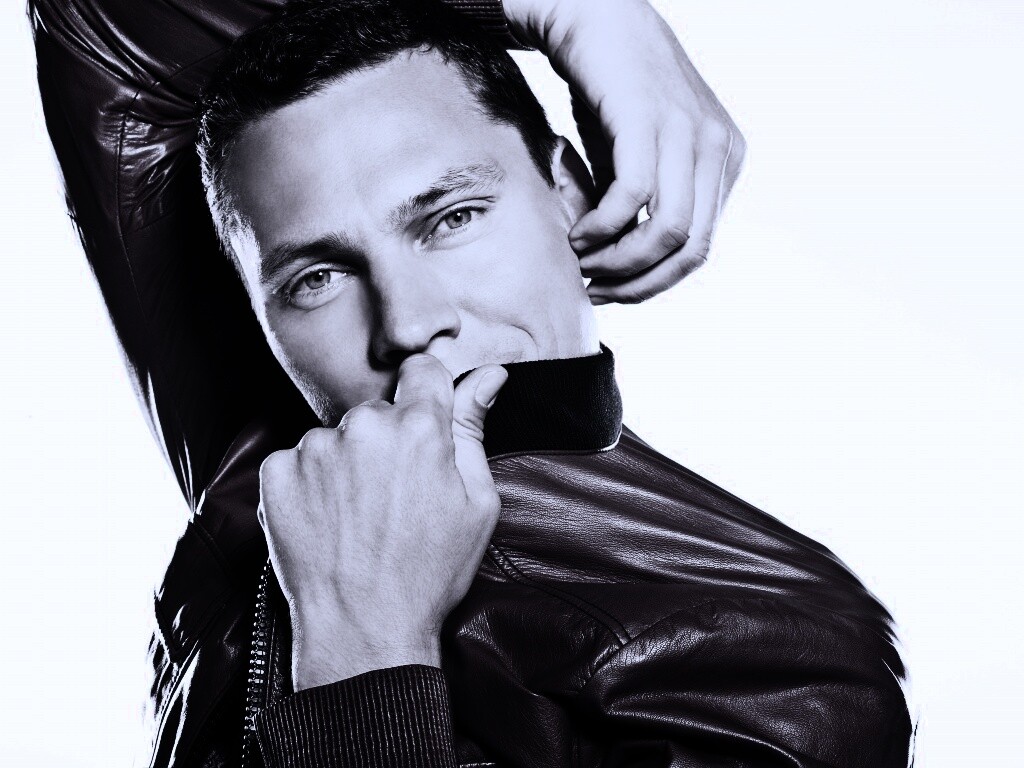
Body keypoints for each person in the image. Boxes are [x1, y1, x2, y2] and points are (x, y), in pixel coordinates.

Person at [182, 1, 914, 766]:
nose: (407, 324)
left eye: (453, 218)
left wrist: (364, 657)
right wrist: (575, 12)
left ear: (568, 190)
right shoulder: (266, 462)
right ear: (257, 311)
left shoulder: (786, 665)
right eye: (318, 278)